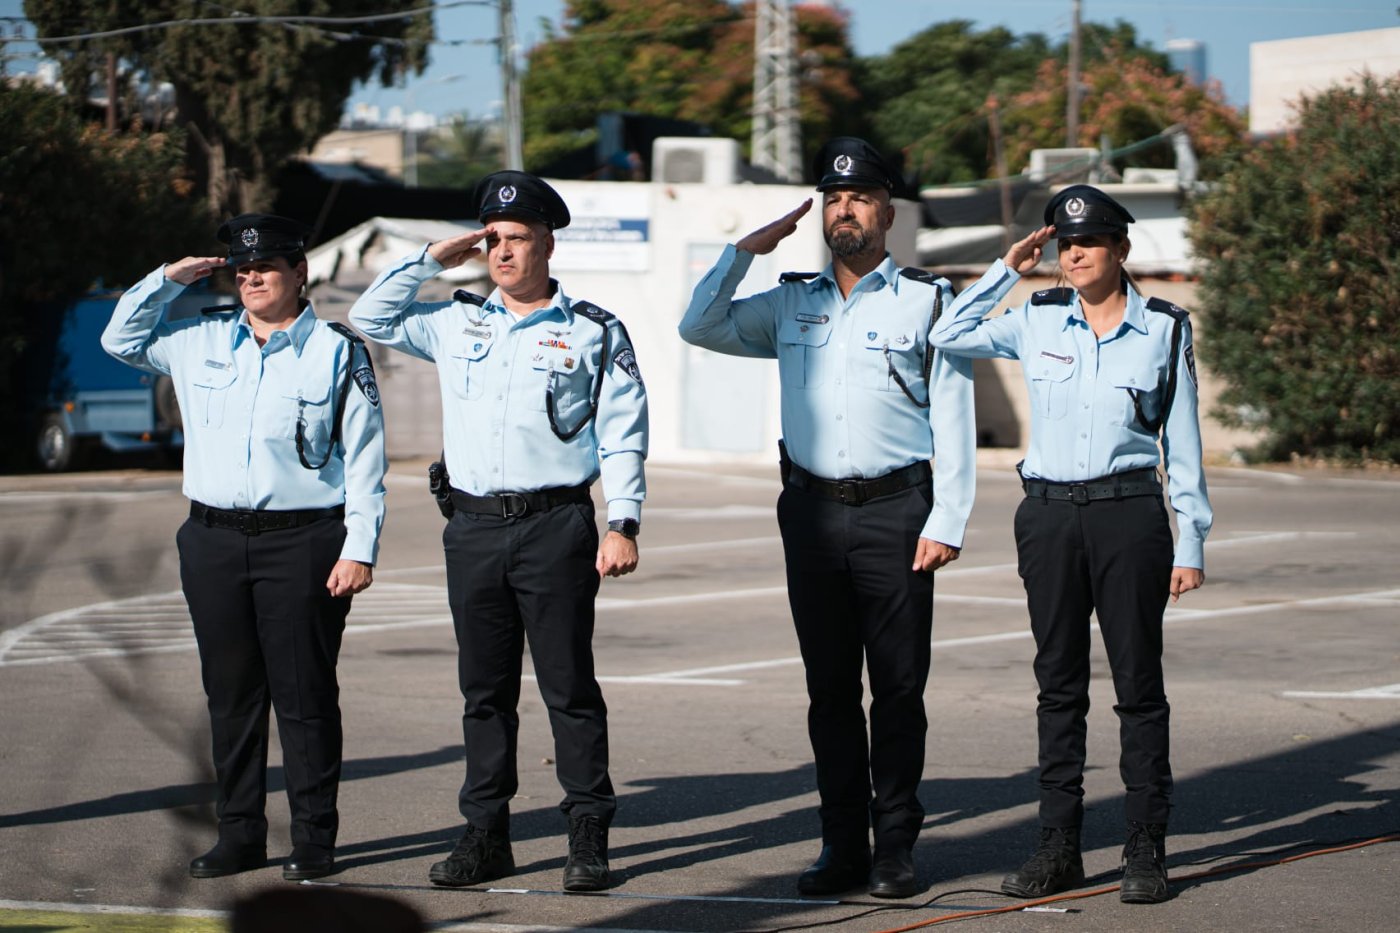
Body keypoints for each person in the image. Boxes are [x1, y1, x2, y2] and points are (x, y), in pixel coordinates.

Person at [679, 138, 976, 899]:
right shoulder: (790, 301)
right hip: (810, 513)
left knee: (900, 690)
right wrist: (744, 251)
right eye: (833, 198)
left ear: (887, 211)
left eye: (860, 197)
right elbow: (699, 326)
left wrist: (948, 516)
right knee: (830, 690)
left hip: (897, 512)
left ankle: (896, 848)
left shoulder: (928, 300)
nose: (845, 210)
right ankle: (842, 845)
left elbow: (955, 416)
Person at [348, 171, 648, 893]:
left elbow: (624, 429)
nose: (503, 252)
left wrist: (624, 519)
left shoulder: (593, 329)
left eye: (516, 238)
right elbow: (370, 315)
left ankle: (587, 830)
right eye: (493, 239)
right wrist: (432, 259)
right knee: (483, 692)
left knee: (567, 686)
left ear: (547, 241)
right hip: (474, 528)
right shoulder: (456, 320)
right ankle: (486, 834)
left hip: (556, 525)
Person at [930, 185, 1213, 905]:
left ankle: (1145, 845)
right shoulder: (1036, 316)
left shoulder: (1163, 329)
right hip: (1049, 516)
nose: (1074, 253)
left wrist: (1192, 540)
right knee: (1058, 687)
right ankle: (1058, 846)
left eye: (1088, 241)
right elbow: (947, 333)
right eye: (1063, 244)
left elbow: (1182, 444)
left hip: (1129, 517)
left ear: (1121, 247)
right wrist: (1006, 266)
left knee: (1137, 687)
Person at [101, 213, 387, 882]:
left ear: (300, 272)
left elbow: (366, 460)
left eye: (266, 266)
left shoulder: (338, 352)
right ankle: (240, 833)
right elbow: (120, 338)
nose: (252, 276)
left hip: (305, 541)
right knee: (230, 696)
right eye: (242, 269)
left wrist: (361, 546)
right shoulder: (196, 341)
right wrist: (167, 279)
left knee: (305, 696)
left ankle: (314, 838)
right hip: (212, 541)